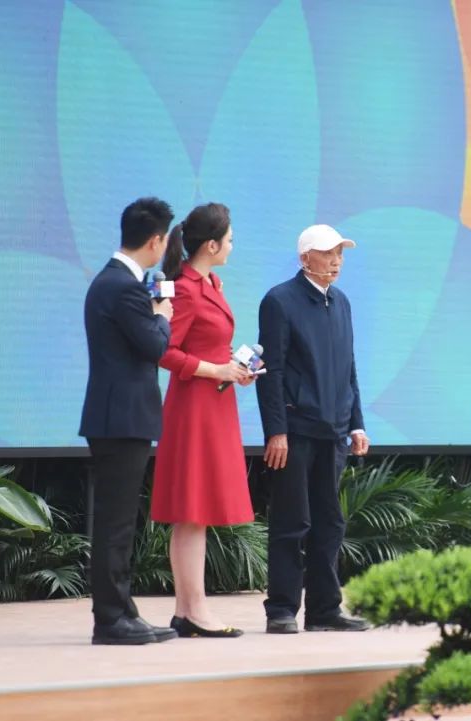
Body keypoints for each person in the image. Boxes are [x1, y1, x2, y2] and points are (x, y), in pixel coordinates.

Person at [255, 224, 370, 634]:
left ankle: (324, 610)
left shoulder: (341, 303)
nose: (337, 259)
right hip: (296, 432)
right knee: (291, 522)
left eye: (340, 252)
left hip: (333, 432)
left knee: (330, 522)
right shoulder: (279, 301)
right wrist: (276, 431)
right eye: (328, 252)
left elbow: (348, 368)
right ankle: (282, 610)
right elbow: (272, 372)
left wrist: (356, 424)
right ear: (306, 258)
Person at [151, 203, 257, 638]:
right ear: (211, 245)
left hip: (214, 403)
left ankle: (187, 609)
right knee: (191, 510)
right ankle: (193, 610)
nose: (232, 246)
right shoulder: (186, 288)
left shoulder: (211, 282)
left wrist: (233, 366)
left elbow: (207, 345)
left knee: (198, 510)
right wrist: (217, 370)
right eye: (229, 240)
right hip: (195, 405)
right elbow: (164, 351)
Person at [79, 197, 178, 645]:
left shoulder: (114, 281)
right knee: (116, 523)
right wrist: (161, 316)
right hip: (121, 419)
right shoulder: (123, 286)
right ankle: (110, 619)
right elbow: (154, 347)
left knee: (119, 522)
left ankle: (122, 610)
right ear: (155, 241)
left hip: (117, 417)